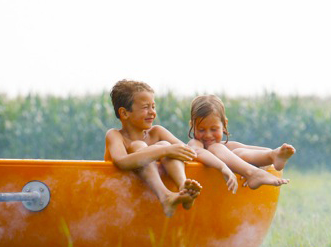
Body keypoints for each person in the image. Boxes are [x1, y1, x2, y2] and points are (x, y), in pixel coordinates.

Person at [105, 80, 201, 217]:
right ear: (124, 113)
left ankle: (183, 188)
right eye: (145, 107)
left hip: (149, 200)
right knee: (141, 146)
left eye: (153, 107)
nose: (152, 112)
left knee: (166, 145)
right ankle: (165, 196)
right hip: (120, 197)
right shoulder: (115, 135)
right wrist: (164, 151)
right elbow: (121, 161)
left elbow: (186, 151)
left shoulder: (157, 132)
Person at [188, 95, 295, 190]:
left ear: (224, 125)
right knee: (216, 148)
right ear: (192, 126)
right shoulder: (195, 143)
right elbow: (197, 152)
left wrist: (268, 159)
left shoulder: (227, 146)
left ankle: (270, 158)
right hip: (207, 189)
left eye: (214, 129)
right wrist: (223, 167)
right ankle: (252, 173)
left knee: (238, 151)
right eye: (201, 130)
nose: (208, 135)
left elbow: (254, 151)